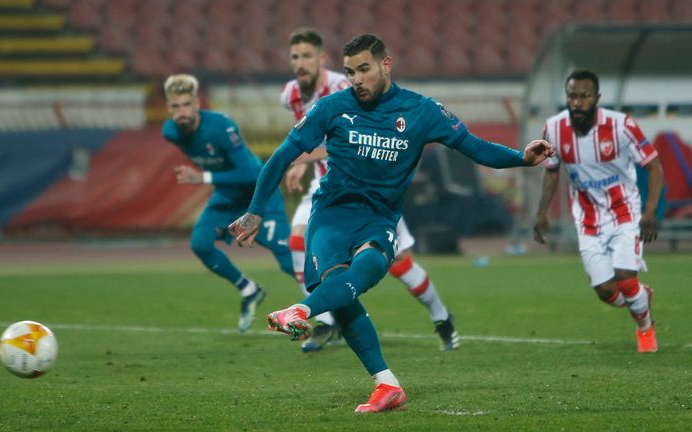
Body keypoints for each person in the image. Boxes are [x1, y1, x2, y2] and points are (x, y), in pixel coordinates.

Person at [230, 34, 553, 413]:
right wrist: (254, 209)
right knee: (341, 289)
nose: (356, 79)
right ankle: (387, 386)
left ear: (386, 64)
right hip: (331, 216)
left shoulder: (422, 111)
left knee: (368, 266)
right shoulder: (330, 107)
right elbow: (282, 156)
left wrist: (521, 158)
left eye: (364, 69)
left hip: (379, 218)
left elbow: (474, 146)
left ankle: (300, 311)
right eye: (350, 72)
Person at [282, 28, 460, 353]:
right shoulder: (291, 95)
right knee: (297, 241)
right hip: (329, 190)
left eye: (306, 56)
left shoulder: (343, 87)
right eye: (294, 57)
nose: (299, 63)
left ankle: (441, 316)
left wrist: (301, 159)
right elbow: (315, 137)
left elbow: (349, 140)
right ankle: (327, 320)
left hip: (373, 191)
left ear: (322, 59)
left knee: (400, 265)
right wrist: (301, 160)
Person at [533, 69, 663, 353]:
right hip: (588, 218)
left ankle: (645, 328)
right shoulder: (553, 128)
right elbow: (552, 172)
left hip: (625, 211)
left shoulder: (622, 126)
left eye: (584, 96)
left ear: (597, 98)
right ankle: (641, 297)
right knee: (606, 291)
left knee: (626, 278)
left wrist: (650, 210)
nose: (577, 102)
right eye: (572, 96)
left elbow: (654, 165)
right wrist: (542, 212)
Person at [161, 73, 294, 333]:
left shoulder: (221, 126)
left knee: (290, 262)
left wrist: (202, 177)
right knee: (199, 243)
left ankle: (332, 312)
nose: (182, 112)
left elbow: (250, 174)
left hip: (258, 195)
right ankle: (249, 289)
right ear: (168, 108)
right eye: (175, 106)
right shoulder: (170, 131)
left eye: (186, 104)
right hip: (227, 196)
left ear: (197, 103)